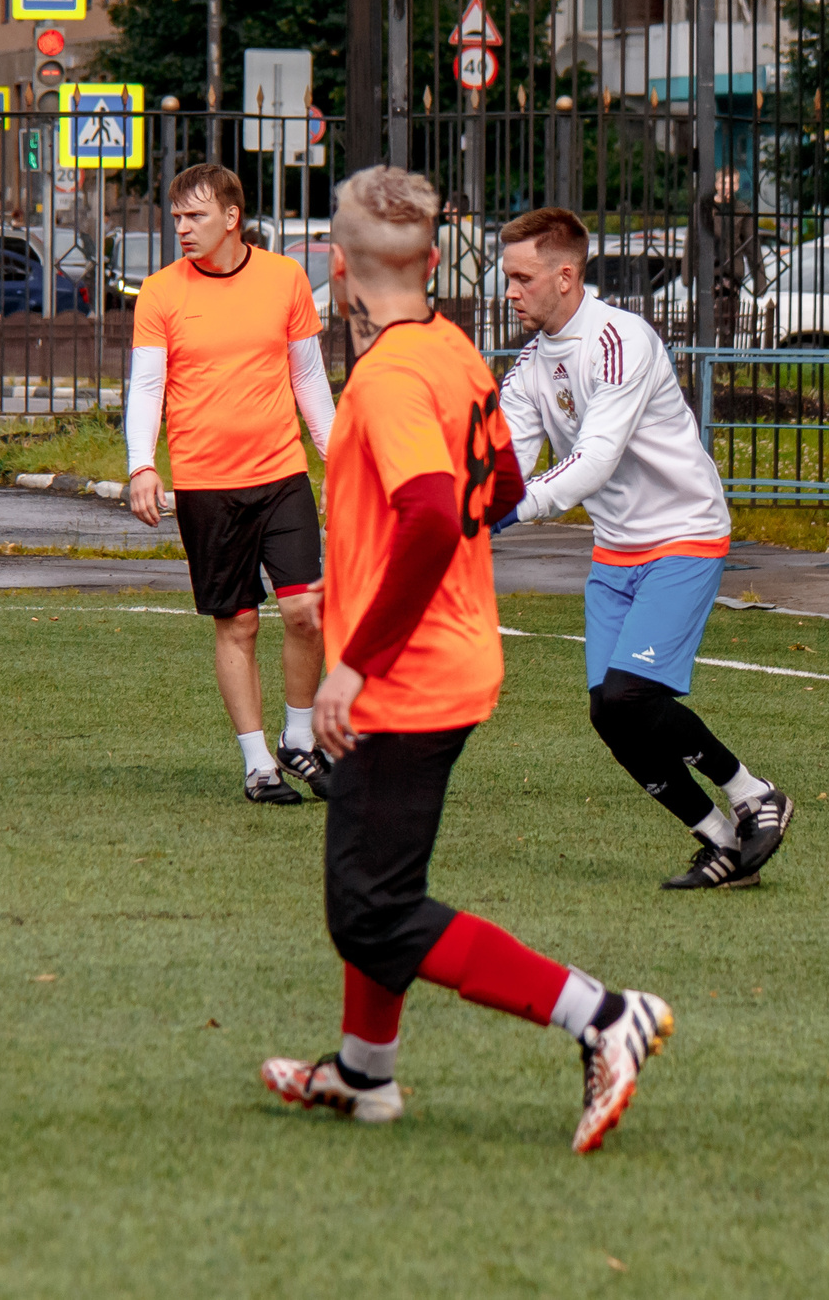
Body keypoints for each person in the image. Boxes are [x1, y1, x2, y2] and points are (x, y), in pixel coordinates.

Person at [261, 166, 671, 1154]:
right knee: (378, 886)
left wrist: (355, 662)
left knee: (369, 911)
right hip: (451, 656)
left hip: (407, 678)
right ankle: (365, 1076)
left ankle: (601, 1015)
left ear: (337, 267)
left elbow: (439, 514)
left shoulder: (395, 376)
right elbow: (494, 493)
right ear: (436, 261)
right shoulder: (451, 352)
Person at [493, 207, 795, 891]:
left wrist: (500, 512)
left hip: (683, 532)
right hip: (617, 549)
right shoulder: (532, 365)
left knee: (631, 693)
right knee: (610, 711)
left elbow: (593, 461)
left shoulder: (618, 340)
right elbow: (503, 466)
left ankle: (753, 792)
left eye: (521, 277)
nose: (508, 291)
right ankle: (720, 838)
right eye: (506, 276)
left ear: (565, 276)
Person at [125, 164, 337, 804]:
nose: (181, 227)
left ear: (230, 217)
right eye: (177, 216)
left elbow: (308, 382)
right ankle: (257, 765)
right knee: (238, 625)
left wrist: (340, 458)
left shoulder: (285, 278)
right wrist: (142, 464)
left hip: (282, 475)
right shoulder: (160, 293)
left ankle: (299, 742)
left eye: (194, 216)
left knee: (306, 610)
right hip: (205, 487)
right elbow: (146, 387)